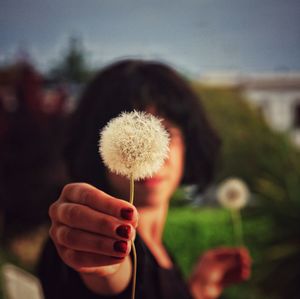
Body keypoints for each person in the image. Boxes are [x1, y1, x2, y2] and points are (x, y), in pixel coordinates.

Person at [38, 59, 251, 299]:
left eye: (166, 132)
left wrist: (198, 291)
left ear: (189, 145)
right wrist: (103, 263)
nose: (154, 159)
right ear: (96, 146)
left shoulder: (161, 251)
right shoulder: (80, 246)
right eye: (130, 139)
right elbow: (112, 273)